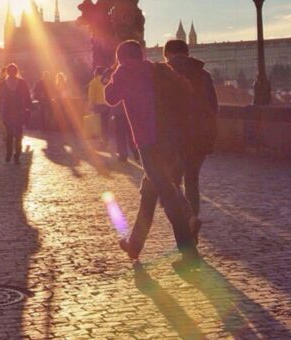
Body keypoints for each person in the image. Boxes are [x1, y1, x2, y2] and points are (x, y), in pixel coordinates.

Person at [104, 40, 200, 268]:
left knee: (167, 195)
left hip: (148, 142)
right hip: (171, 138)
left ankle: (189, 246)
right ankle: (135, 245)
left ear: (121, 57)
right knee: (149, 194)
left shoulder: (123, 71)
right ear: (142, 54)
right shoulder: (156, 68)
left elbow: (110, 97)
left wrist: (110, 75)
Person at [164, 39, 218, 219]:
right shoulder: (204, 75)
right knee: (192, 180)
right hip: (200, 135)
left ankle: (185, 220)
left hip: (174, 136)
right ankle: (192, 220)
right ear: (187, 53)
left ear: (168, 54)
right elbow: (213, 107)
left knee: (172, 182)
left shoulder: (164, 74)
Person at [0, 64, 32, 164]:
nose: (12, 73)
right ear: (8, 72)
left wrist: (28, 108)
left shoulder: (22, 83)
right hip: (7, 112)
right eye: (10, 71)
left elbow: (27, 96)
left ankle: (17, 155)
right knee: (10, 135)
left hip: (19, 112)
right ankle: (9, 153)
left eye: (13, 71)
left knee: (18, 135)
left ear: (16, 72)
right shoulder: (4, 83)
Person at [88, 67, 110, 145]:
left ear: (96, 73)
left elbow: (91, 95)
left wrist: (90, 106)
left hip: (98, 106)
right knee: (105, 123)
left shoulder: (93, 82)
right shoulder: (107, 81)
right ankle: (105, 139)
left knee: (99, 124)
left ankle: (102, 141)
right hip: (107, 105)